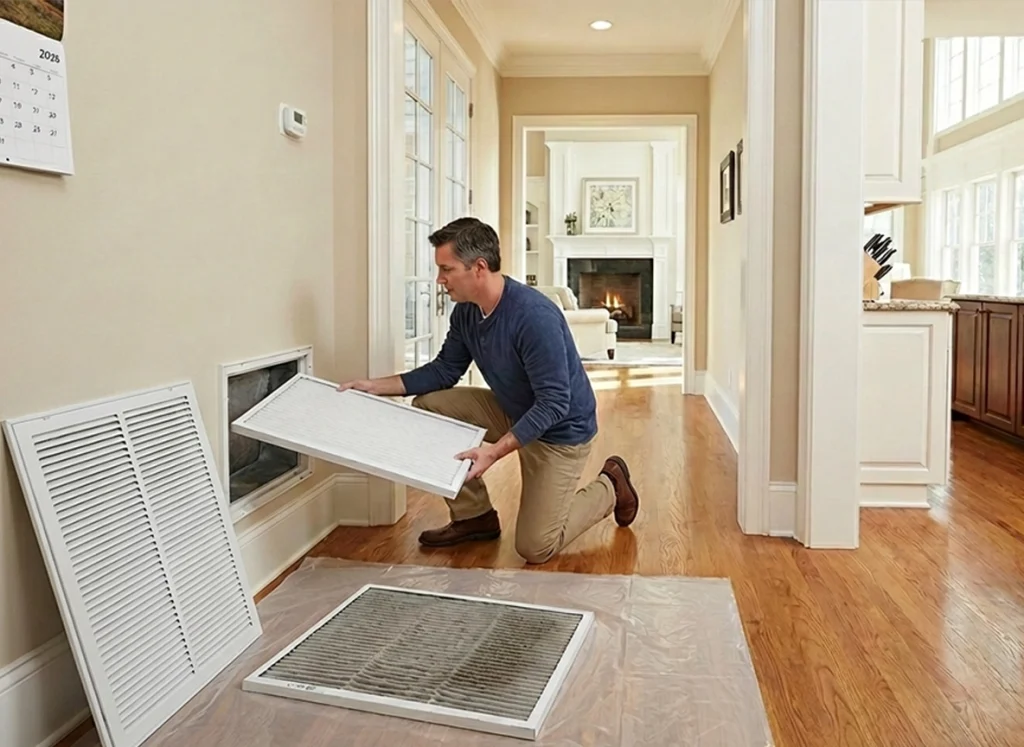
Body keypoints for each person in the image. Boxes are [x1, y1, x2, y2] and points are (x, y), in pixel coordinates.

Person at [338, 217, 639, 564]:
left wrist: (494, 452)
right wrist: (374, 387)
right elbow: (444, 370)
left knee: (535, 547)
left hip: (560, 431)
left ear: (478, 268)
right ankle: (474, 516)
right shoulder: (467, 312)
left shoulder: (533, 317)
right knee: (429, 405)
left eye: (446, 269)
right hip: (515, 410)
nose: (439, 280)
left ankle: (611, 486)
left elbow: (555, 402)